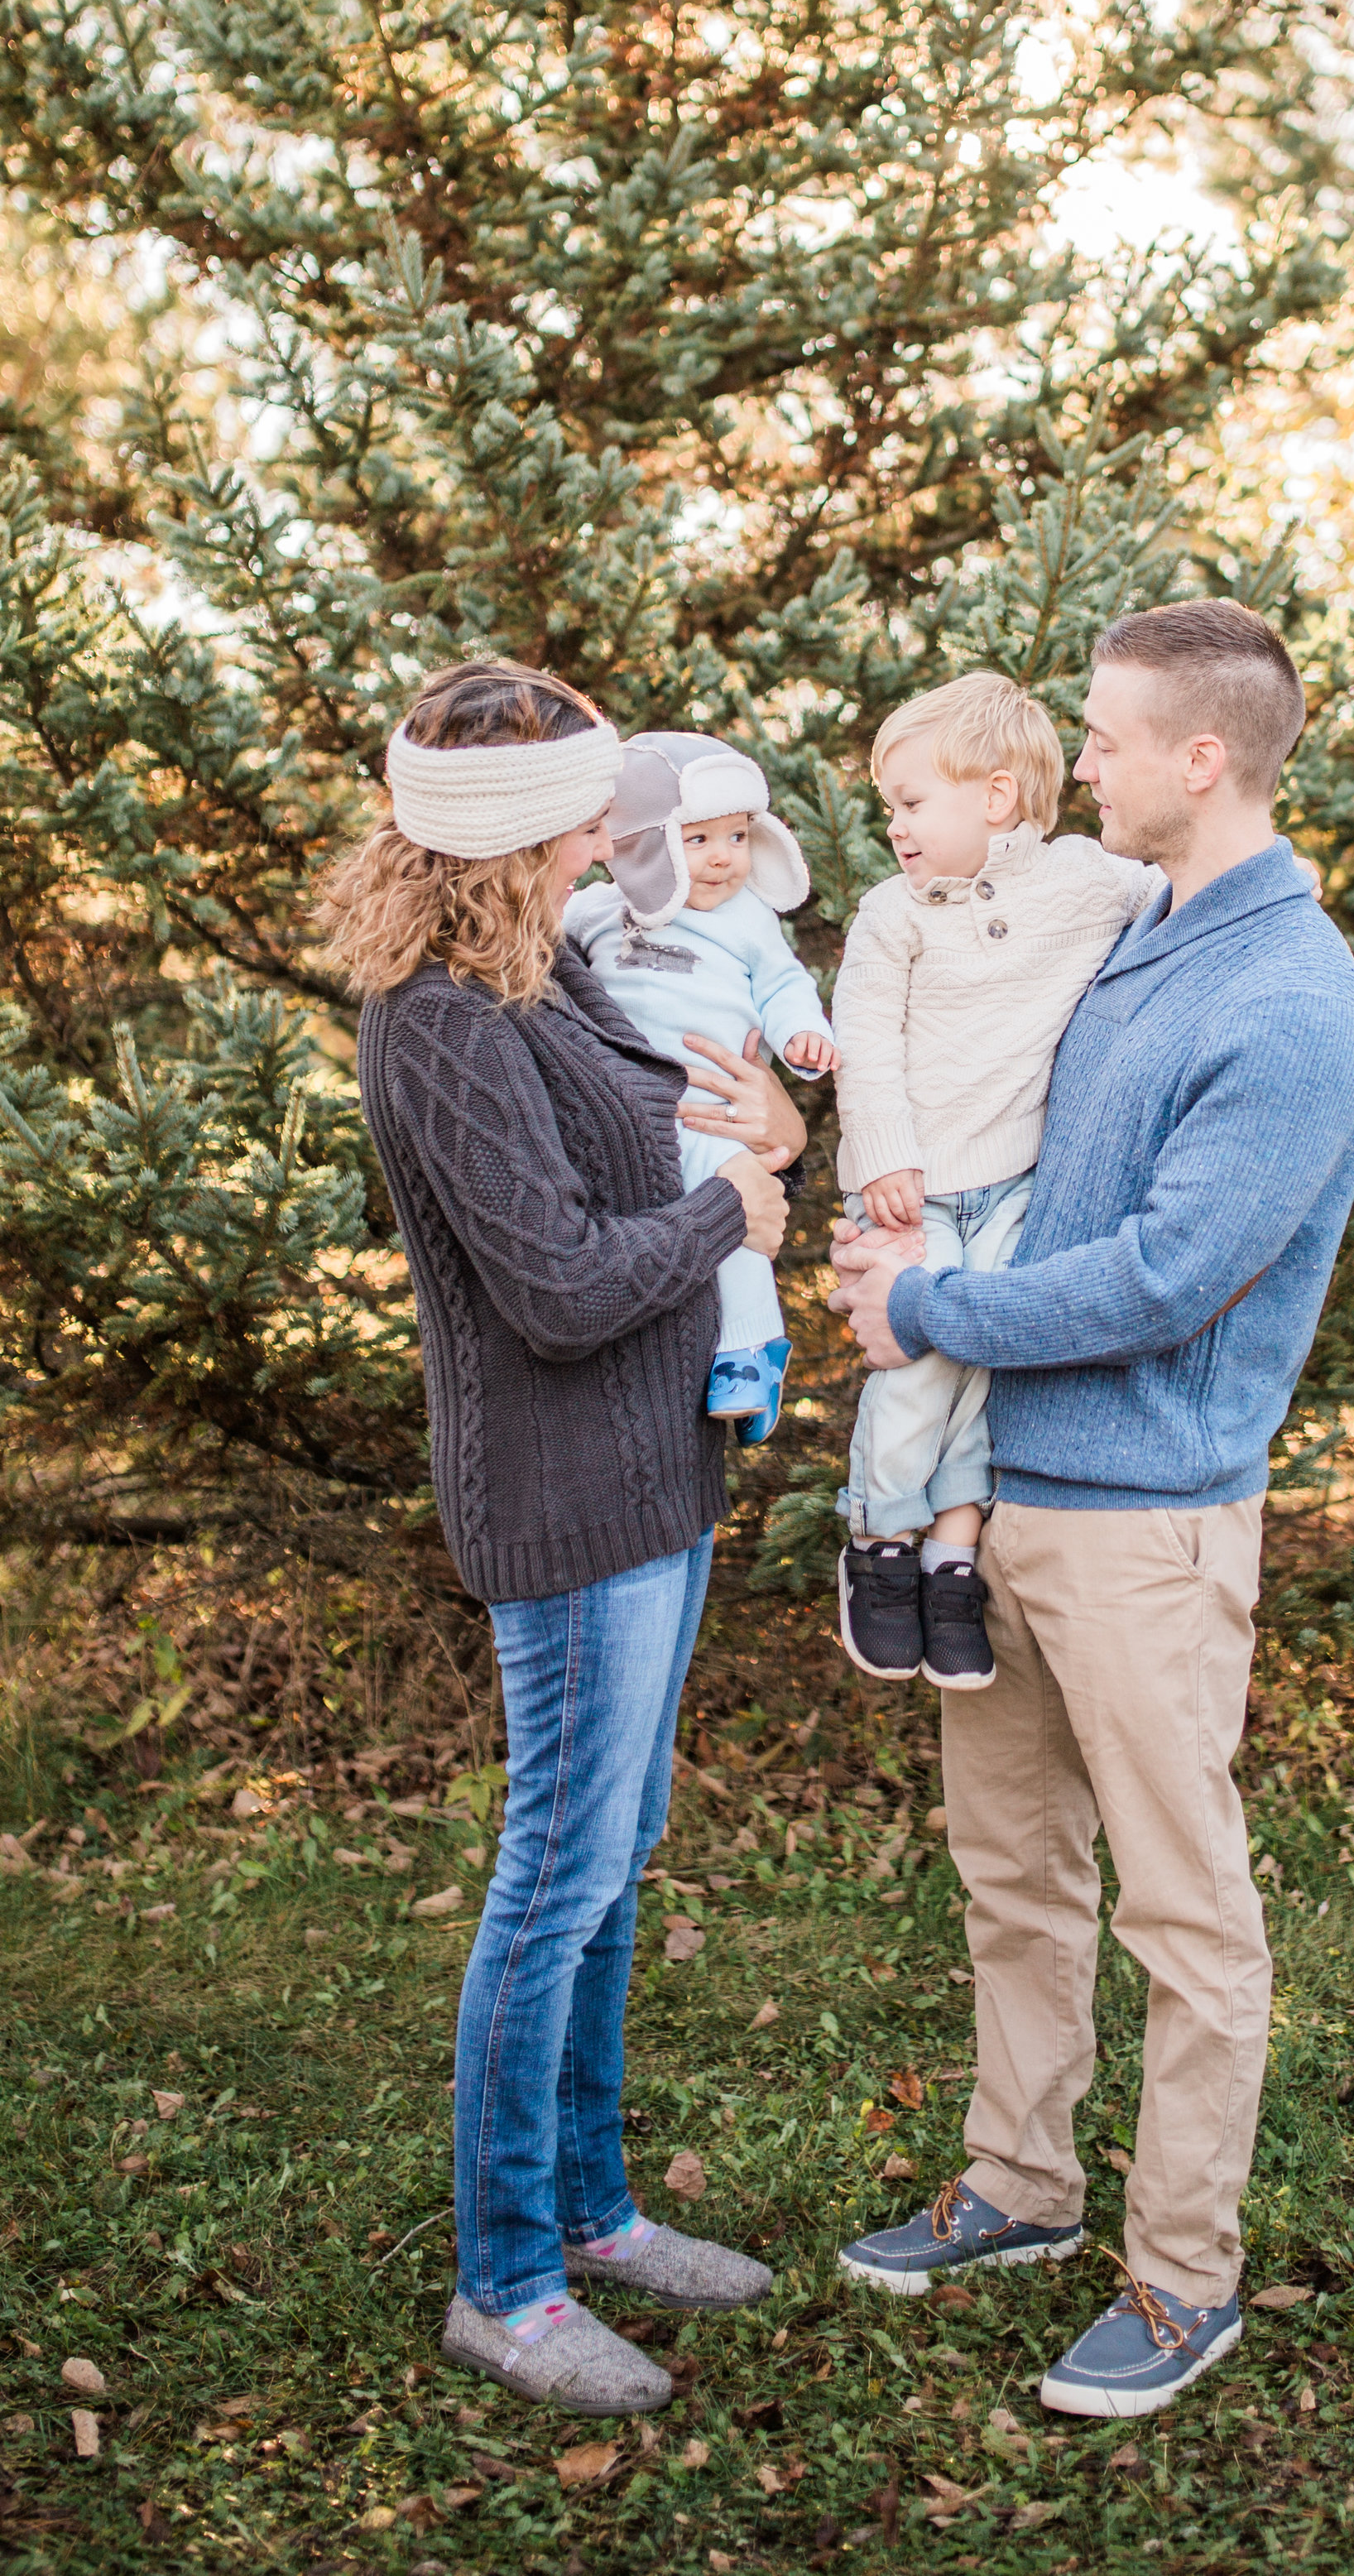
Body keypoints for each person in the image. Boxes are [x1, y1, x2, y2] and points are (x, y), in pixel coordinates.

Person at [829, 600, 1354, 2421]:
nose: (1077, 762)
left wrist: (927, 1314)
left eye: (1101, 737)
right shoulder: (1128, 926)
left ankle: (1180, 2277)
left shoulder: (1287, 998)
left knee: (1184, 1915)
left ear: (1197, 759)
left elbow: (1167, 1278)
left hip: (1148, 1521)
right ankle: (1018, 2185)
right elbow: (963, 1056)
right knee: (1010, 1874)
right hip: (1002, 1503)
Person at [324, 658, 804, 2416]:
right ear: (514, 835)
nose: (620, 826)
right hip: (561, 1487)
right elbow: (548, 1287)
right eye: (589, 806)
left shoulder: (549, 962)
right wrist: (725, 1209)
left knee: (612, 1865)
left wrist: (758, 1139)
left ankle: (594, 2214)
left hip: (654, 1467)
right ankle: (507, 2283)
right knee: (552, 1884)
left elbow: (661, 1146)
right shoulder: (440, 1018)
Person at [828, 671, 1159, 1692]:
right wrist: (882, 1153)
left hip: (1019, 1183)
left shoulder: (1087, 880)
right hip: (911, 1189)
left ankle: (952, 1555)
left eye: (912, 803)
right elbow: (865, 1037)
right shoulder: (893, 915)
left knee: (984, 1371)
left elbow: (1190, 890)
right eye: (890, 808)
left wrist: (1295, 881)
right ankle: (880, 1540)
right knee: (920, 1369)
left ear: (998, 798)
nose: (895, 826)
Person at [565, 730, 835, 1444]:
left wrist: (802, 1037)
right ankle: (705, 1358)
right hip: (631, 1112)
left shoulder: (748, 920)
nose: (723, 856)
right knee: (672, 1233)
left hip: (716, 1109)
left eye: (739, 837)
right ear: (646, 844)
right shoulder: (599, 909)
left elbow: (783, 985)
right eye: (699, 838)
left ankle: (750, 1351)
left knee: (737, 1215)